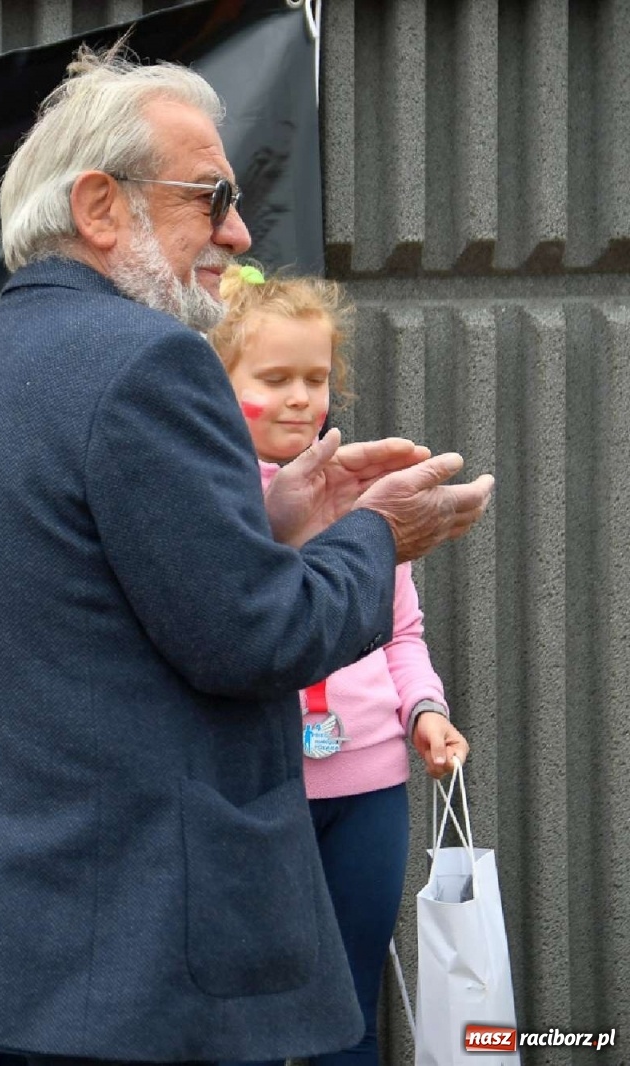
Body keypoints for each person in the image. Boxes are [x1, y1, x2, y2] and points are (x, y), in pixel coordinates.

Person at [0, 45, 493, 1066]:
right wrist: (377, 537)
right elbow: (254, 636)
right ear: (100, 207)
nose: (239, 234)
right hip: (135, 953)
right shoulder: (150, 359)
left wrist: (282, 517)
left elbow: (86, 592)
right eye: (209, 200)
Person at [209, 264, 469, 1066]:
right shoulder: (206, 500)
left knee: (347, 1009)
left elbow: (401, 633)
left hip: (368, 791)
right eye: (274, 378)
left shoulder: (366, 495)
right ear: (215, 385)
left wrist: (424, 711)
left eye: (316, 379)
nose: (299, 397)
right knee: (241, 1012)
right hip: (250, 795)